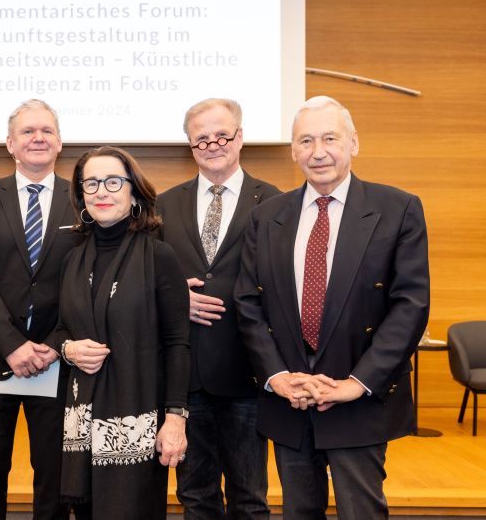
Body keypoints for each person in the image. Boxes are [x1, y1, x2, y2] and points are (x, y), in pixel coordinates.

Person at [234, 96, 430, 519]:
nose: (318, 151)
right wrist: (279, 378)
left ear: (354, 143)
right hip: (290, 400)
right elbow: (248, 303)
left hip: (359, 400)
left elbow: (410, 305)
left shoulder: (398, 209)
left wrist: (357, 382)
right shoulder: (266, 216)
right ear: (293, 151)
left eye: (329, 138)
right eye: (306, 140)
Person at [157, 98, 279, 519]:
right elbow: (145, 281)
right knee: (196, 495)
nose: (212, 145)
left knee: (250, 497)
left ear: (240, 137)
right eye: (201, 139)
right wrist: (174, 301)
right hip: (185, 377)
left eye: (221, 135)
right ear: (190, 146)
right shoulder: (163, 205)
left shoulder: (274, 202)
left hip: (248, 373)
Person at [0, 99, 79, 520]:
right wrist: (12, 345)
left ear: (60, 142)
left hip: (56, 361)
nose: (38, 138)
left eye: (46, 131)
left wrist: (52, 344)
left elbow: (86, 282)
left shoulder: (83, 200)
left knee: (54, 473)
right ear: (10, 143)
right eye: (28, 132)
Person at [57, 146, 191, 520]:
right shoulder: (71, 259)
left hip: (138, 420)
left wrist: (175, 420)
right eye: (92, 183)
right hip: (82, 419)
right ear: (81, 195)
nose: (102, 191)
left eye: (113, 182)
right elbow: (59, 331)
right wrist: (68, 349)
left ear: (133, 191)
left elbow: (177, 344)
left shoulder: (159, 256)